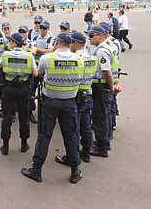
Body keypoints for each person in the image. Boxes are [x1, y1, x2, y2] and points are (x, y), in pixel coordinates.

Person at [21, 33, 83, 184]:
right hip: (69, 103)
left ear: (58, 42)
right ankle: (75, 171)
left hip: (50, 102)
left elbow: (40, 74)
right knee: (71, 136)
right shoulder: (79, 60)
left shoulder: (47, 58)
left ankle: (36, 170)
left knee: (44, 136)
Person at [55, 31, 96, 165]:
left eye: (72, 42)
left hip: (76, 96)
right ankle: (86, 153)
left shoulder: (76, 58)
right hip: (88, 93)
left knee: (73, 129)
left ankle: (73, 157)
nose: (70, 44)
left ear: (77, 43)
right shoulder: (91, 56)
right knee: (86, 126)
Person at [0, 32, 37, 155]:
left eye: (11, 41)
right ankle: (24, 144)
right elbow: (35, 74)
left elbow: (0, 65)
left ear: (14, 43)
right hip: (23, 89)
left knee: (7, 117)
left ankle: (5, 146)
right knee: (24, 117)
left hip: (9, 89)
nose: (9, 43)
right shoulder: (29, 56)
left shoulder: (5, 54)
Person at [89, 26, 120, 157]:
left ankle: (102, 147)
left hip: (101, 87)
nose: (89, 38)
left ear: (100, 36)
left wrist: (111, 87)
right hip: (103, 87)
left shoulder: (102, 51)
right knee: (103, 115)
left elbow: (106, 71)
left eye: (92, 35)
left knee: (99, 117)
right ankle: (102, 142)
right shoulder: (107, 47)